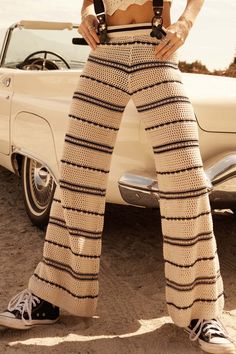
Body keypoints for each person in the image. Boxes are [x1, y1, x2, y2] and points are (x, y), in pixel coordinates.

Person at [0, 0, 235, 353]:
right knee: (77, 174)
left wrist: (186, 21)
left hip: (156, 47)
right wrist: (83, 14)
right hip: (105, 51)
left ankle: (201, 311)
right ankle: (50, 295)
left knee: (186, 180)